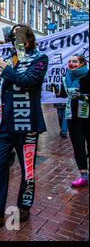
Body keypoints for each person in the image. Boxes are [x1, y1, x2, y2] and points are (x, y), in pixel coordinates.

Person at [0, 24, 48, 230]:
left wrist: (3, 66)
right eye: (12, 39)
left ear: (27, 41)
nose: (13, 42)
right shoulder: (8, 60)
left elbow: (27, 81)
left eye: (17, 39)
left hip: (26, 125)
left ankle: (24, 206)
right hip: (3, 126)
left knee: (28, 169)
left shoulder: (39, 59)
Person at [54, 55, 89, 187]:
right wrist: (56, 91)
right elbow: (63, 94)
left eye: (74, 61)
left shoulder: (87, 75)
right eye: (69, 61)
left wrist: (82, 97)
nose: (71, 63)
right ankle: (83, 175)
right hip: (72, 118)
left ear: (81, 63)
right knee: (78, 146)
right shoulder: (66, 76)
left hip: (87, 116)